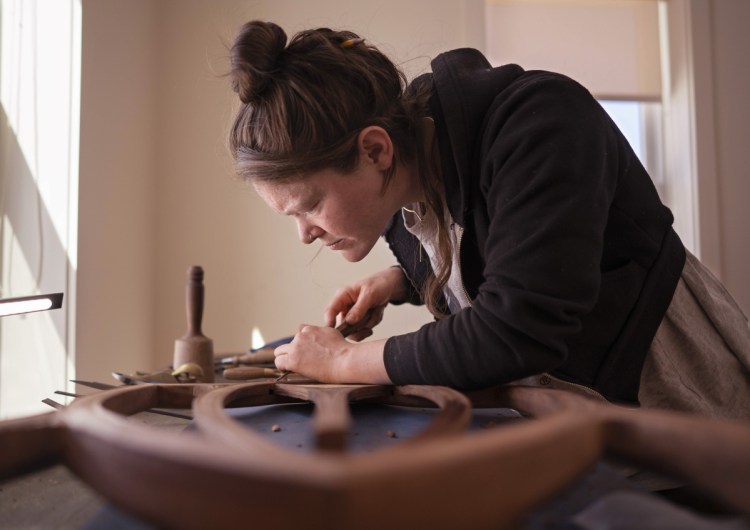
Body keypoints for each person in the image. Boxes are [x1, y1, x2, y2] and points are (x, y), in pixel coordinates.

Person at [228, 20, 750, 420]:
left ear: (375, 149)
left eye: (310, 205)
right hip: (573, 423)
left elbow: (517, 331)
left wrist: (343, 362)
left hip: (675, 403)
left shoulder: (540, 124)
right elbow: (484, 248)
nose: (306, 234)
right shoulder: (397, 190)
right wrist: (400, 283)